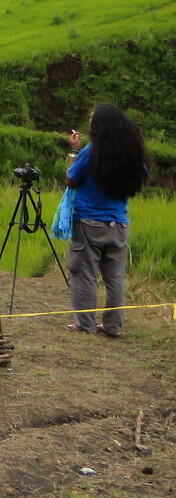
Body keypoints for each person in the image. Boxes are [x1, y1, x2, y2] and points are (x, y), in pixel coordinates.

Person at [64, 103, 150, 338]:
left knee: (84, 273)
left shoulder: (92, 151)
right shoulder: (132, 153)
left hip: (89, 222)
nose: (89, 122)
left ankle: (84, 323)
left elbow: (71, 179)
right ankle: (113, 327)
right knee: (115, 279)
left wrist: (73, 152)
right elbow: (141, 175)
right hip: (119, 224)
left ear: (99, 125)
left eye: (92, 119)